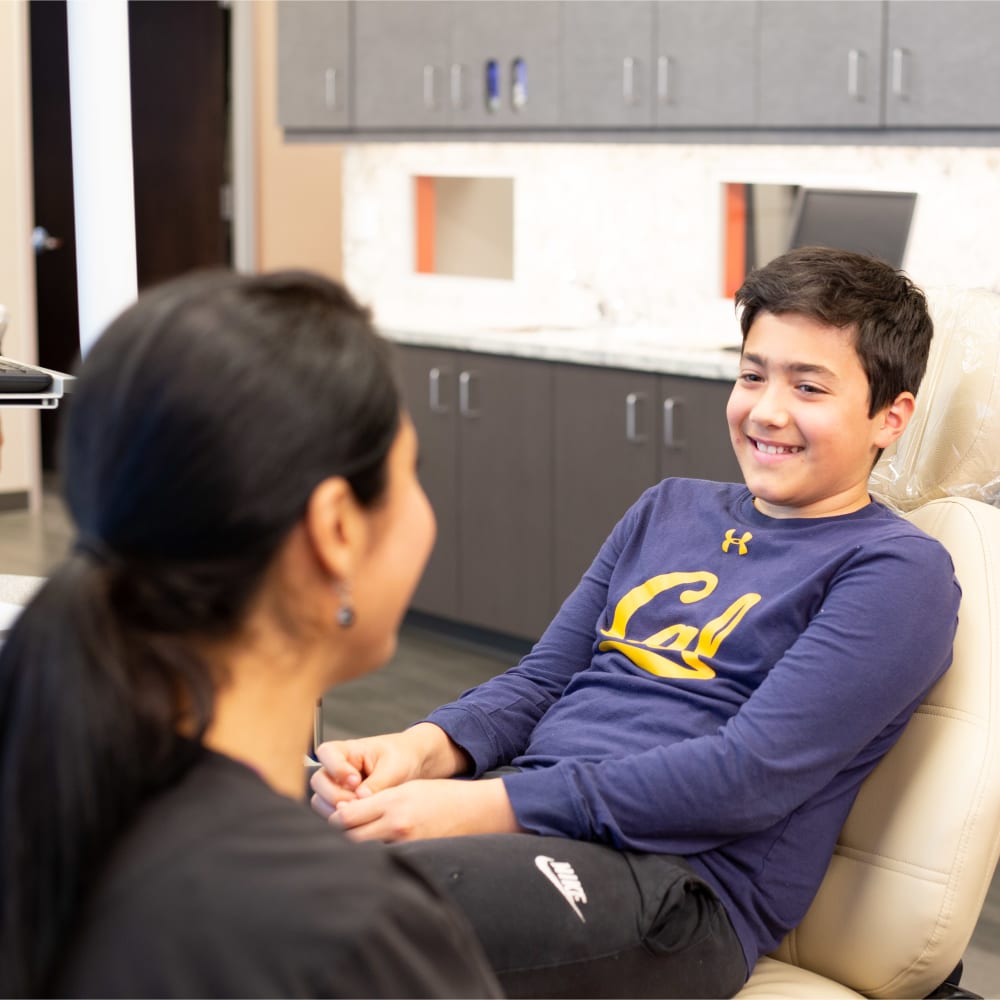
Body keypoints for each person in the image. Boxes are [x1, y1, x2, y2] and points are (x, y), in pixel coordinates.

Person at [310, 247, 962, 998]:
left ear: (892, 416)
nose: (767, 410)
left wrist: (484, 806)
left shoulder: (896, 572)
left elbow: (743, 778)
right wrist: (425, 750)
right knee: (220, 834)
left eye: (808, 387)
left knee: (346, 911)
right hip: (536, 816)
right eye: (753, 374)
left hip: (677, 893)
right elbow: (542, 682)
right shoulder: (667, 508)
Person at [0, 270, 501, 998]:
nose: (425, 510)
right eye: (409, 473)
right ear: (335, 530)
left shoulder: (46, 801)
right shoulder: (346, 932)